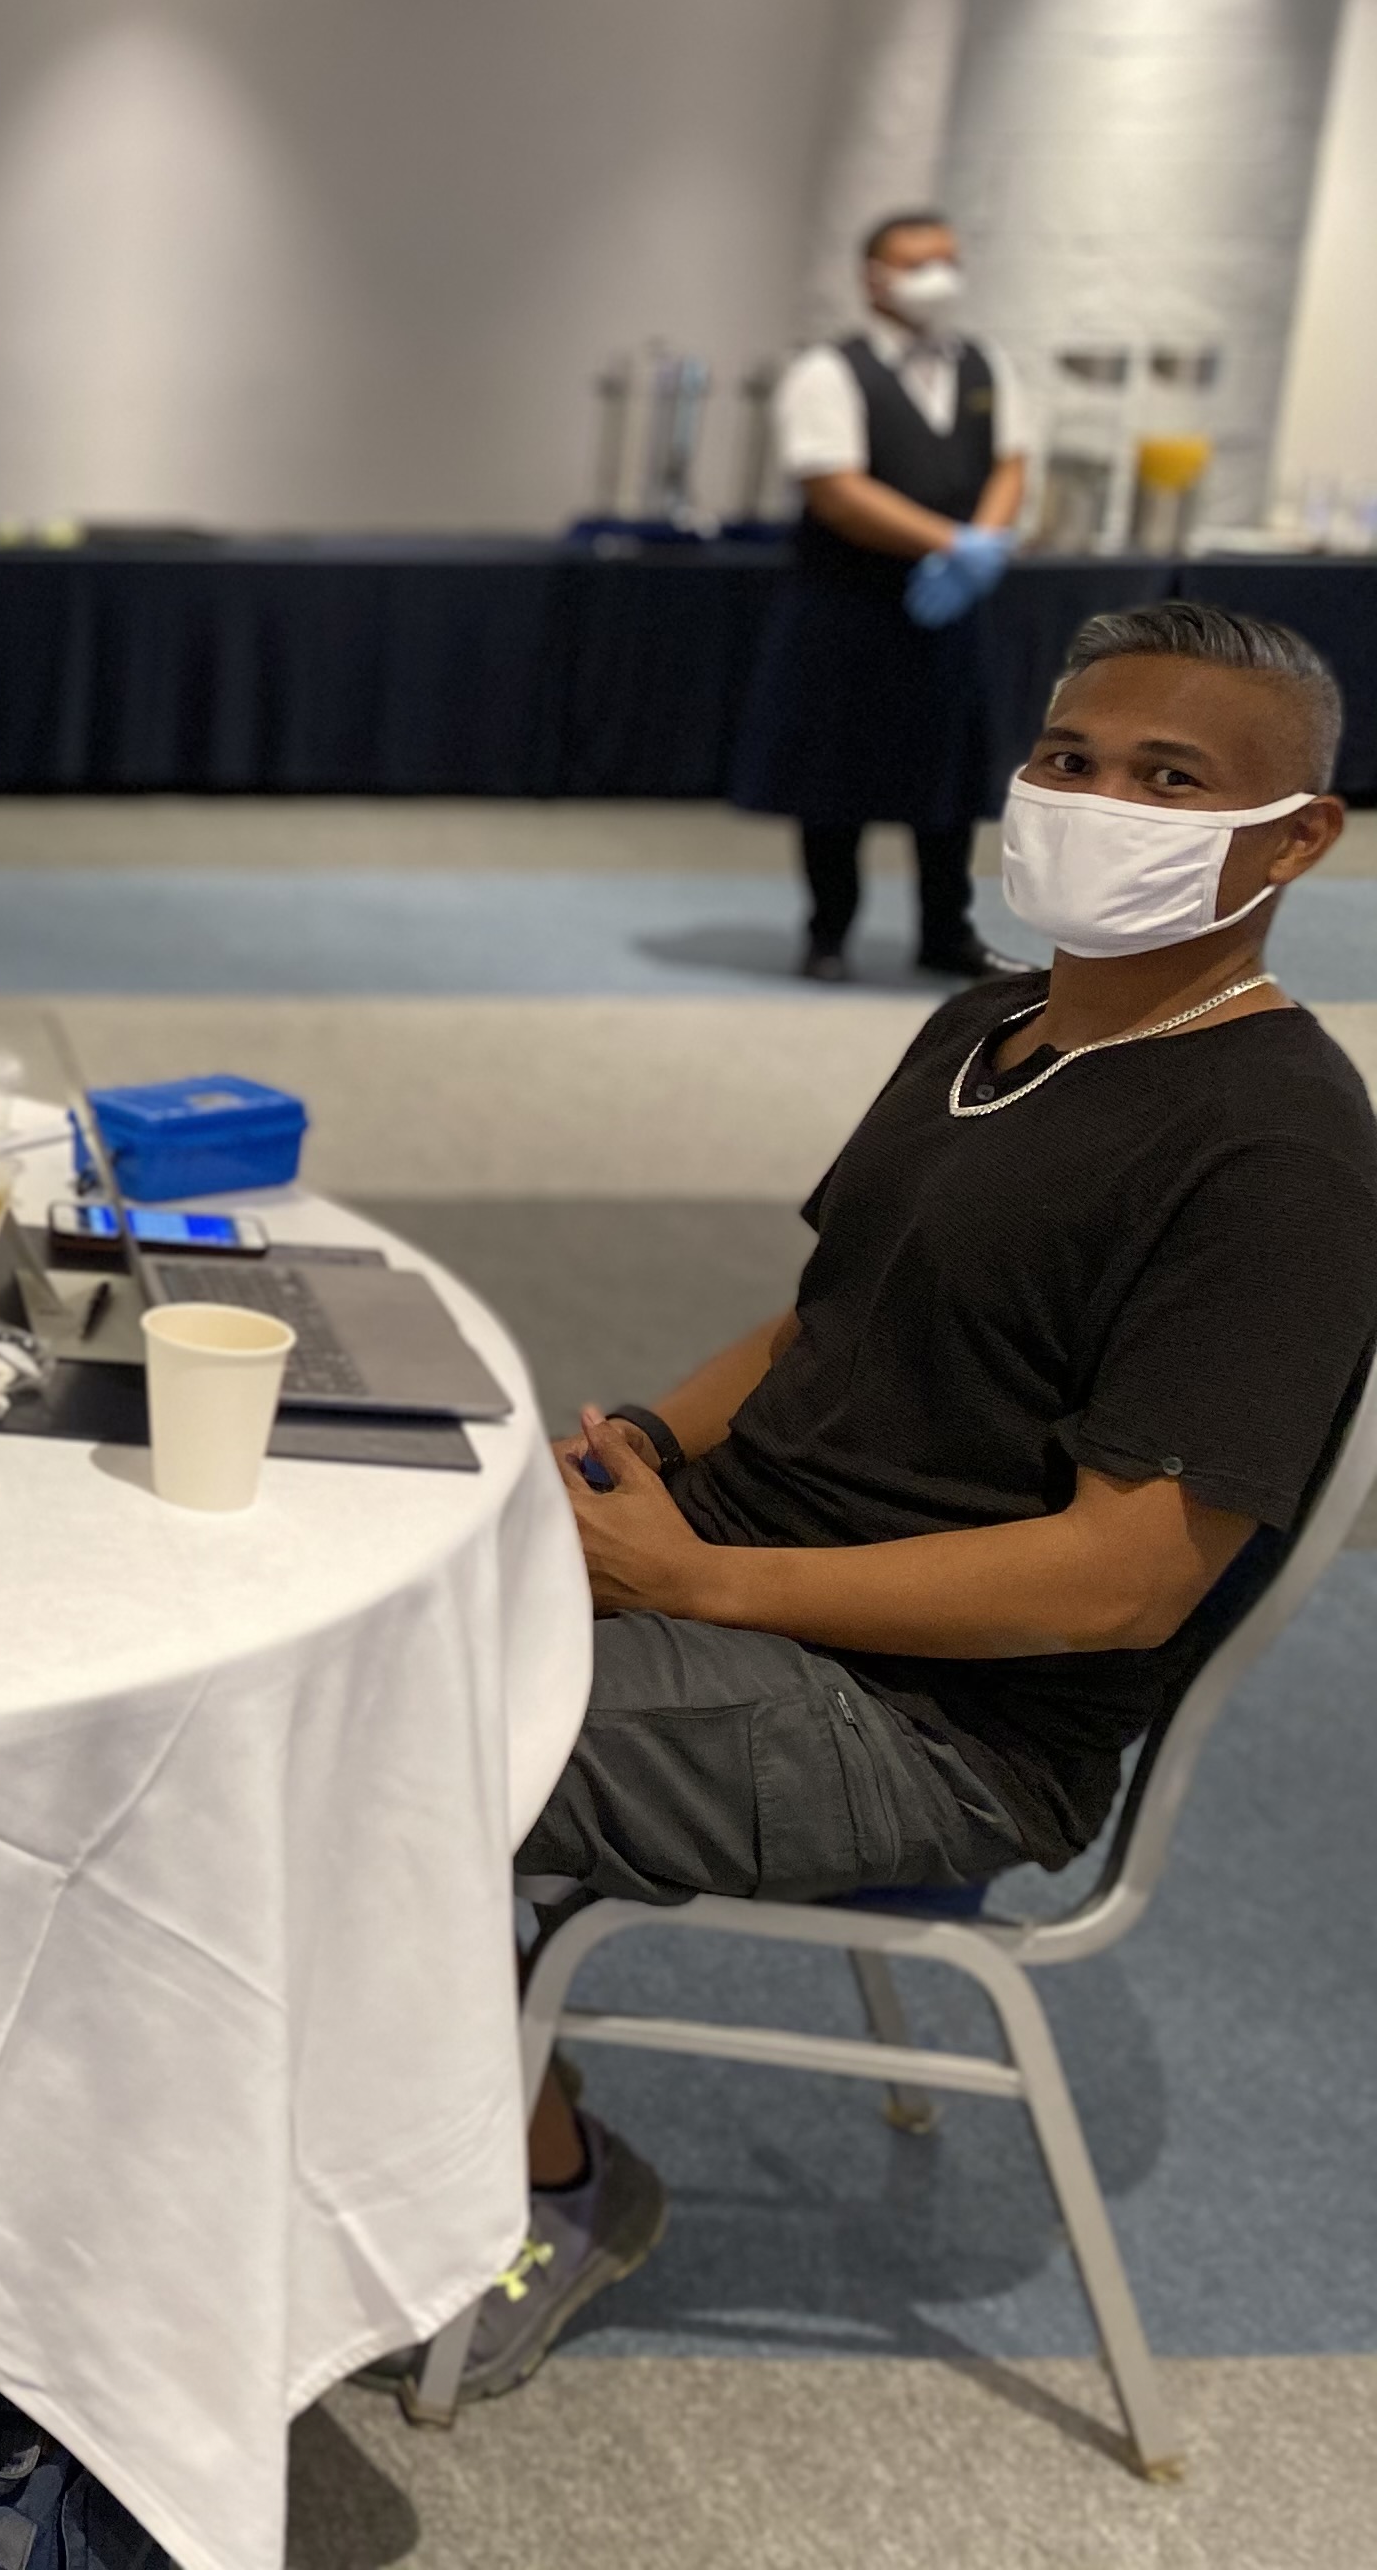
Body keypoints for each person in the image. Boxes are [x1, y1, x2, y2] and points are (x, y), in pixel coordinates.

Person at [410, 601, 1377, 2406]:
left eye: (1169, 777)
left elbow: (1119, 1578)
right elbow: (817, 1318)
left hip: (938, 1723)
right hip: (753, 1570)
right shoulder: (986, 1015)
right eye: (1068, 758)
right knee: (329, 1582)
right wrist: (632, 1457)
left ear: (1299, 831)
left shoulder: (1279, 1145)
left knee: (375, 1734)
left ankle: (552, 2178)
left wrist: (704, 1580)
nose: (1096, 800)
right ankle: (365, 2075)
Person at [732, 208, 1035, 984]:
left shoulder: (985, 363)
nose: (937, 277)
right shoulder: (828, 371)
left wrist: (985, 547)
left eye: (947, 259)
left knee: (948, 778)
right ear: (875, 276)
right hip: (846, 606)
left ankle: (946, 931)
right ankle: (828, 932)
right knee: (836, 777)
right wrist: (946, 542)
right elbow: (835, 487)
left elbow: (1009, 462)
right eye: (916, 262)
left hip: (952, 608)